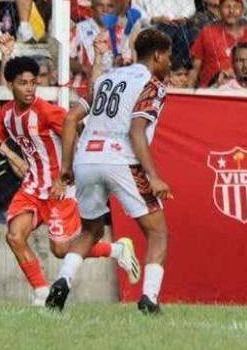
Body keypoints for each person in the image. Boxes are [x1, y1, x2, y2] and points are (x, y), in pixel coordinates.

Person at [0, 56, 138, 303]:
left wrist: (64, 177)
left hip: (60, 189)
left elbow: (75, 138)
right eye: (23, 83)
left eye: (33, 82)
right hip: (33, 187)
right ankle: (41, 292)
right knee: (14, 236)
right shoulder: (6, 114)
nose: (30, 88)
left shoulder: (47, 111)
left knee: (62, 250)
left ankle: (116, 249)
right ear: (10, 84)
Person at [46, 29, 174, 314]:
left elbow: (70, 119)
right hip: (121, 159)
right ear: (157, 55)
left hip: (86, 159)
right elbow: (136, 130)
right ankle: (149, 299)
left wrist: (66, 167)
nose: (169, 63)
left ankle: (62, 281)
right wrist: (153, 175)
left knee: (90, 230)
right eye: (168, 57)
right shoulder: (153, 84)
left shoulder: (106, 78)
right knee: (158, 233)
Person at [188, 0, 247, 88]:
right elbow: (195, 69)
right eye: (227, 7)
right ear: (219, 10)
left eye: (236, 7)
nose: (231, 11)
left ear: (243, 11)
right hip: (214, 88)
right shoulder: (207, 33)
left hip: (245, 88)